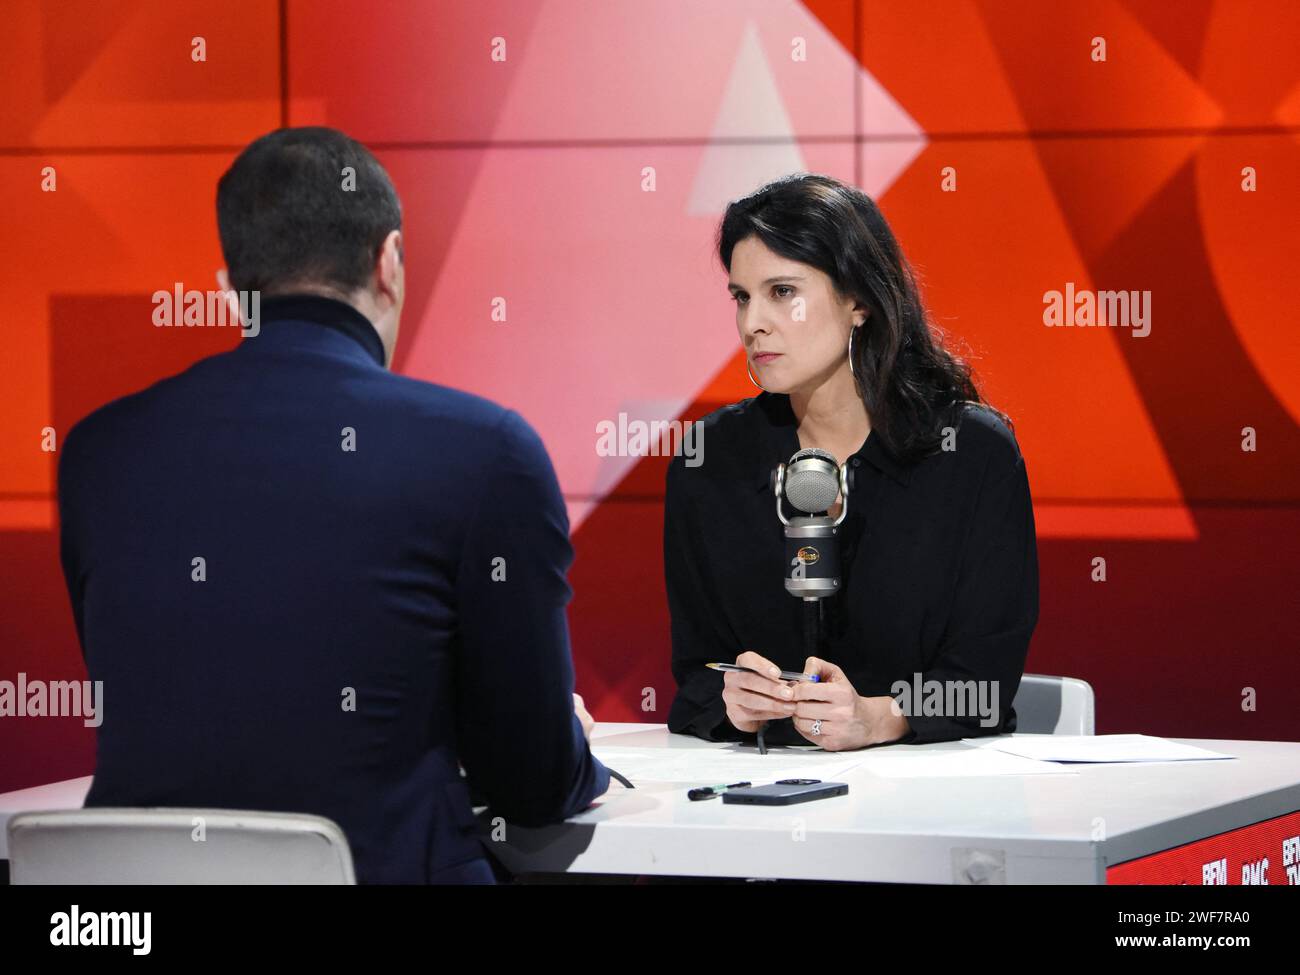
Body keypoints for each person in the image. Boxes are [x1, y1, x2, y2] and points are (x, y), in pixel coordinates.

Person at [57, 126, 610, 883]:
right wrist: (568, 743)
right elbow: (534, 782)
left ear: (229, 288)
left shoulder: (97, 452)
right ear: (389, 262)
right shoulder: (487, 450)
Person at [666, 173, 1038, 750]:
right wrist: (734, 702)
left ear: (858, 300)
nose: (752, 322)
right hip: (759, 781)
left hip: (934, 784)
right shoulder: (709, 459)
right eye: (742, 296)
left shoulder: (971, 453)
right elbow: (697, 677)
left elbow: (984, 682)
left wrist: (880, 717)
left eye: (782, 292)